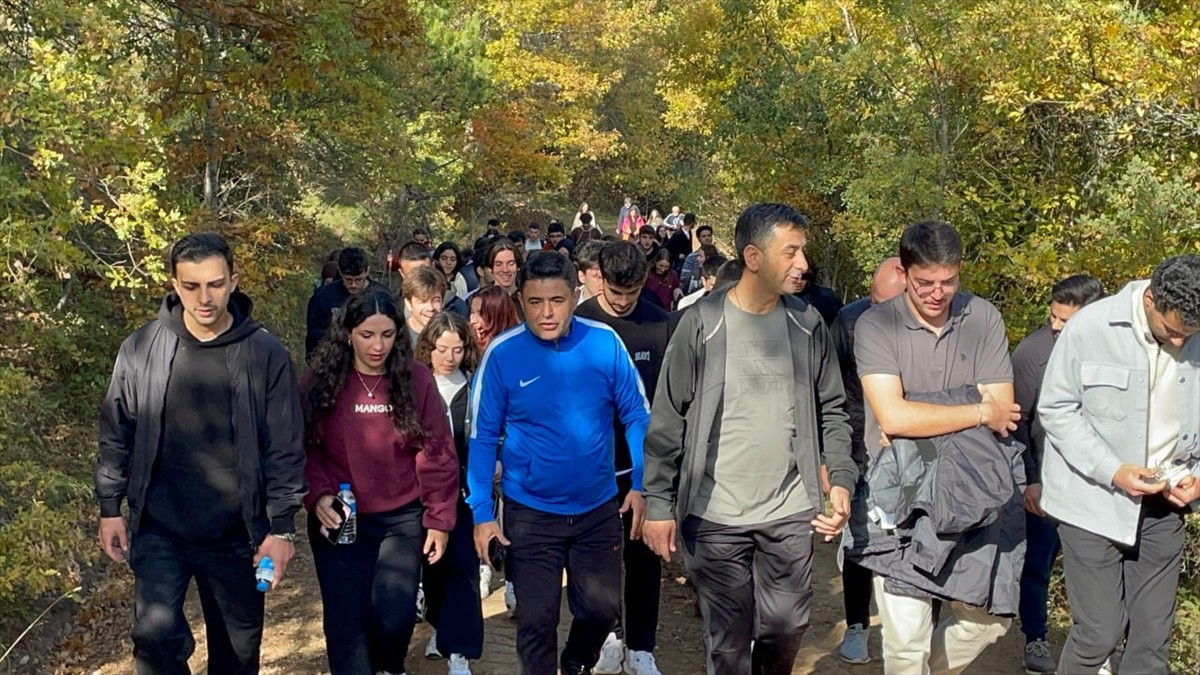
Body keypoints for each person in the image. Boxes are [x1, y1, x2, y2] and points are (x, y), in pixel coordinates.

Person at [641, 203, 856, 675]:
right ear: (754, 257)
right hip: (713, 513)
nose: (803, 263)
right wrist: (658, 504)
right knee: (728, 645)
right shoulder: (700, 324)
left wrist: (839, 476)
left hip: (788, 507)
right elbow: (667, 419)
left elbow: (833, 409)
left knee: (785, 626)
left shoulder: (806, 324)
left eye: (804, 252)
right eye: (792, 252)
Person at [95, 232, 306, 675]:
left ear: (234, 281)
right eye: (191, 286)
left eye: (215, 284)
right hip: (161, 526)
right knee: (154, 637)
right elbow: (118, 430)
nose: (204, 298)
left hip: (238, 534)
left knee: (237, 658)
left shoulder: (264, 353)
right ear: (174, 282)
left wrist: (282, 529)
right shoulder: (141, 348)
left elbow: (285, 446)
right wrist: (110, 506)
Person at [467, 252, 652, 675]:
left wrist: (641, 483)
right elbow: (482, 438)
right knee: (535, 621)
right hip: (530, 513)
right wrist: (481, 512)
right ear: (520, 302)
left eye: (557, 301)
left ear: (575, 296)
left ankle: (575, 663)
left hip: (598, 508)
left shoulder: (604, 342)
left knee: (602, 612)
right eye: (535, 302)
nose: (547, 313)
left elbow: (637, 416)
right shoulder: (501, 354)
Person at [853, 220, 1022, 674]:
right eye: (925, 282)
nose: (937, 292)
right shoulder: (876, 324)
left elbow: (1002, 411)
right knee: (905, 639)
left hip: (974, 490)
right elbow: (892, 418)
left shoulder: (983, 317)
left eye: (948, 281)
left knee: (988, 621)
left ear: (960, 270)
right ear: (904, 272)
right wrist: (976, 410)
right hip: (899, 494)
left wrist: (920, 417)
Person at [1038, 254, 1200, 675]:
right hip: (1091, 501)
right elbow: (1056, 409)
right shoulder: (1089, 328)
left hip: (1165, 506)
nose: (1181, 343)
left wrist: (1198, 477)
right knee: (1099, 634)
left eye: (1191, 334)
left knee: (1150, 645)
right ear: (1150, 299)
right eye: (1172, 331)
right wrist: (1113, 469)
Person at [303, 290, 459, 675]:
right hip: (340, 517)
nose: (377, 346)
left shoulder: (416, 379)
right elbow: (299, 447)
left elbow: (437, 451)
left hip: (401, 518)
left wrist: (439, 519)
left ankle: (389, 667)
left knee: (395, 616)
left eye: (387, 335)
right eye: (367, 335)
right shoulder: (321, 382)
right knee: (345, 620)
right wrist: (317, 494)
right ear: (348, 334)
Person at [573, 242, 674, 675]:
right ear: (599, 276)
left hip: (643, 464)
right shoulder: (578, 323)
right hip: (589, 464)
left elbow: (670, 401)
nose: (622, 301)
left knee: (644, 555)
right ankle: (607, 639)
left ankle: (642, 646)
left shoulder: (659, 323)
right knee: (596, 561)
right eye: (615, 292)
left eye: (631, 293)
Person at [1010, 274, 1105, 674]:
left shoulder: (1115, 351)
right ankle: (1035, 638)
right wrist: (1030, 478)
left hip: (1100, 484)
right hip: (1046, 484)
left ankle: (1094, 648)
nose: (1056, 326)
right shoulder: (1032, 354)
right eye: (1053, 316)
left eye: (1066, 321)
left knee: (1098, 572)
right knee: (1038, 565)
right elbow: (1017, 422)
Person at [826, 256, 906, 665]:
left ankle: (906, 631)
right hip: (858, 446)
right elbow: (830, 393)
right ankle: (856, 625)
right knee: (859, 538)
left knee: (908, 542)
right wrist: (833, 457)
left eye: (885, 304)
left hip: (911, 451)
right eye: (872, 299)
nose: (876, 309)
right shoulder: (848, 320)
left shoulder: (928, 328)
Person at [414, 312, 486, 675]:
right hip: (419, 498)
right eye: (442, 349)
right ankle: (439, 625)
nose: (449, 357)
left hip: (465, 494)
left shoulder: (475, 387)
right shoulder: (413, 388)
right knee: (432, 572)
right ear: (428, 348)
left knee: (463, 569)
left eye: (457, 349)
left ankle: (459, 650)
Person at [306, 246, 387, 358]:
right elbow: (314, 335)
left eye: (359, 280)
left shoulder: (383, 295)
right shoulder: (324, 296)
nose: (353, 285)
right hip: (334, 359)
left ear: (367, 271)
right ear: (340, 272)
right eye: (348, 280)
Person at [402, 266, 447, 347]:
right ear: (408, 304)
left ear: (442, 302)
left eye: (436, 300)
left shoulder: (451, 334)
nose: (430, 308)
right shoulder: (397, 335)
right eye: (423, 301)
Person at [794, 252, 843, 326]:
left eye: (805, 276)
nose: (799, 281)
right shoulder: (776, 298)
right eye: (794, 276)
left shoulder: (828, 297)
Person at [467, 284, 520, 351]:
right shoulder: (466, 342)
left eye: (481, 314)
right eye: (472, 312)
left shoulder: (514, 348)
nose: (473, 320)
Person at [679, 224, 715, 293]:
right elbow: (684, 279)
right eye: (703, 236)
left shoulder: (719, 256)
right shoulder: (691, 257)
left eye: (709, 235)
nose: (707, 238)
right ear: (699, 239)